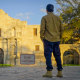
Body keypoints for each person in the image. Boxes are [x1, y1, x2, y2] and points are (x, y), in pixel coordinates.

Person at [40, 4, 63, 78]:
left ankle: (49, 72)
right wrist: (60, 38)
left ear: (46, 10)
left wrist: (42, 38)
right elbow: (61, 29)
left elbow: (42, 29)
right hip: (57, 40)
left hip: (48, 39)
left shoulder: (44, 18)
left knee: (48, 55)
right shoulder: (58, 18)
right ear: (53, 10)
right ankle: (60, 72)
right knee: (57, 56)